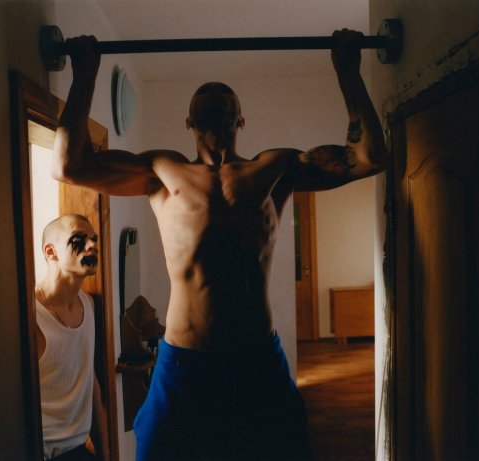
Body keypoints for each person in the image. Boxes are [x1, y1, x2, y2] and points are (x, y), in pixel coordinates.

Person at [52, 29, 386, 461]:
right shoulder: (160, 171)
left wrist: (347, 71)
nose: (213, 88)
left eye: (223, 91)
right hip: (184, 364)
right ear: (189, 123)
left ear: (241, 121)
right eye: (204, 91)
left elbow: (368, 157)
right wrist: (85, 73)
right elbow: (68, 165)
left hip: (257, 361)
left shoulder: (276, 168)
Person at [35, 214, 110, 461]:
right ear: (51, 252)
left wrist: (105, 453)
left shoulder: (88, 304)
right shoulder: (30, 314)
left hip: (79, 449)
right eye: (79, 238)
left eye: (94, 239)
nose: (92, 245)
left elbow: (89, 380)